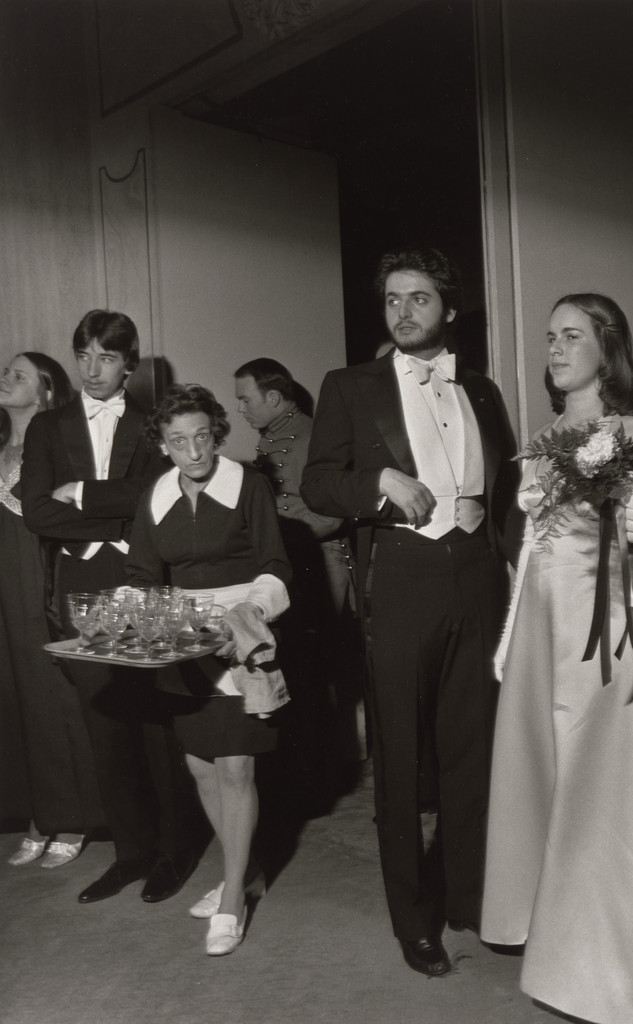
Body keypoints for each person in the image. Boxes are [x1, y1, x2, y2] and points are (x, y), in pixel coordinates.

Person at [301, 247, 521, 977]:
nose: (402, 311)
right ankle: (413, 921)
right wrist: (381, 480)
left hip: (478, 579)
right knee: (399, 754)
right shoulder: (349, 385)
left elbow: (508, 490)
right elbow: (318, 482)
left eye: (418, 299)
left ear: (448, 311)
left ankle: (471, 898)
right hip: (399, 578)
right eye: (393, 299)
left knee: (472, 747)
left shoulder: (481, 390)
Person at [480, 294, 633, 1024]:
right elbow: (523, 545)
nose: (555, 348)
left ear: (608, 347)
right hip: (538, 628)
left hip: (604, 632)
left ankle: (593, 971)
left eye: (572, 336)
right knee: (541, 778)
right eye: (549, 337)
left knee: (602, 794)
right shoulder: (541, 434)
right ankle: (542, 934)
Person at [20, 310, 204, 904]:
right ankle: (132, 853)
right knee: (106, 726)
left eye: (106, 358)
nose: (92, 370)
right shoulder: (50, 427)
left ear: (130, 362)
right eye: (84, 356)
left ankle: (174, 853)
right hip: (78, 579)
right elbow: (36, 510)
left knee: (156, 722)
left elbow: (159, 493)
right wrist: (110, 509)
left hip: (140, 575)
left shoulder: (155, 423)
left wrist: (83, 493)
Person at [126, 383, 292, 956]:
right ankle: (243, 871)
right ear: (164, 446)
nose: (193, 452)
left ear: (216, 434)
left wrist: (247, 614)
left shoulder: (249, 485)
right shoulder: (156, 495)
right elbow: (145, 575)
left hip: (242, 637)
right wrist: (149, 621)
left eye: (202, 437)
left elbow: (275, 565)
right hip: (185, 641)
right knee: (200, 768)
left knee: (236, 769)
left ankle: (232, 903)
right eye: (178, 442)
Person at [234, 358, 365, 781]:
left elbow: (333, 512)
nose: (240, 409)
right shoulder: (271, 437)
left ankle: (329, 769)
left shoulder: (309, 435)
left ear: (273, 398)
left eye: (245, 399)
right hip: (291, 562)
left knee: (319, 669)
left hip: (319, 563)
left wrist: (275, 527)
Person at [0, 352, 104, 868]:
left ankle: (73, 816)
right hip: (4, 590)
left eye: (19, 374)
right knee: (15, 702)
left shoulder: (55, 444)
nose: (5, 377)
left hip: (40, 584)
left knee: (52, 700)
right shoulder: (0, 447)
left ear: (44, 391)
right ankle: (38, 814)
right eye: (6, 371)